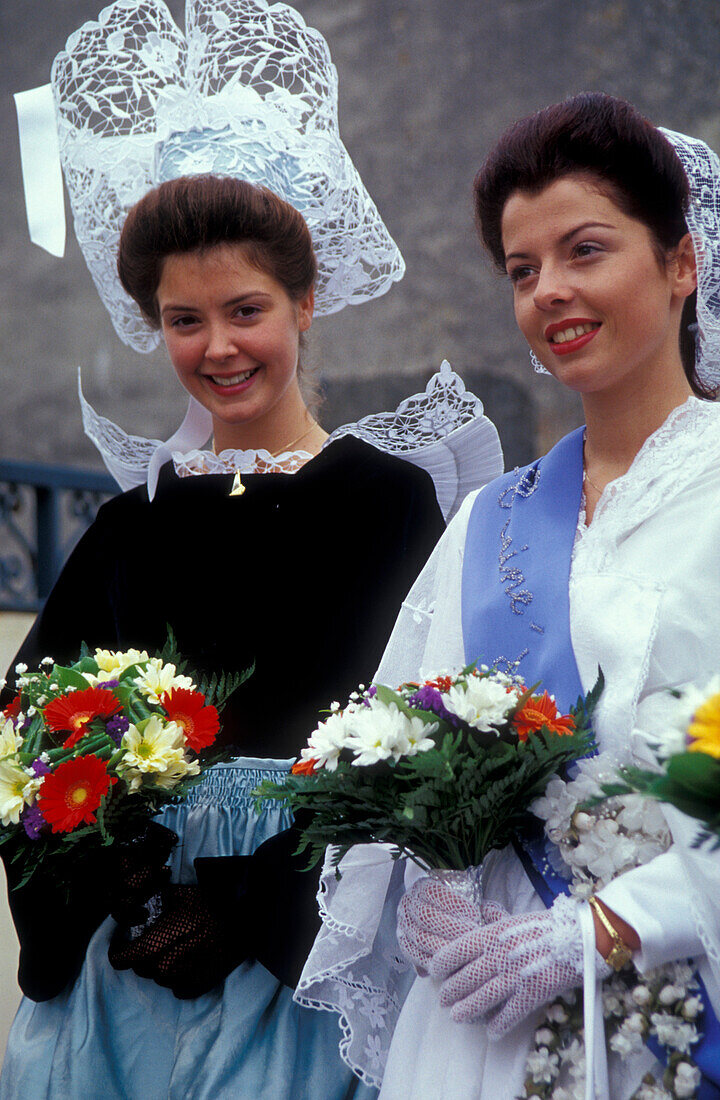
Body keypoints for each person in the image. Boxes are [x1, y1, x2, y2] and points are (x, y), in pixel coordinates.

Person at [1, 3, 503, 1098]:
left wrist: (239, 908)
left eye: (245, 310)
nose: (218, 347)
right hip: (118, 965)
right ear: (154, 325)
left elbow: (401, 737)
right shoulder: (134, 517)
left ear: (306, 302)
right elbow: (30, 719)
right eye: (185, 320)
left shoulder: (388, 500)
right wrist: (116, 870)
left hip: (292, 956)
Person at [297, 93, 720, 1099]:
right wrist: (426, 879)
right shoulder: (489, 517)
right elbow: (401, 735)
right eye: (523, 270)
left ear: (681, 263)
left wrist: (615, 922)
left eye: (585, 250)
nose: (550, 292)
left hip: (668, 1009)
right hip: (476, 1017)